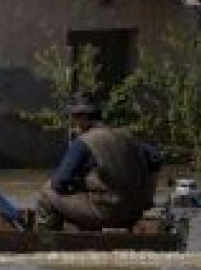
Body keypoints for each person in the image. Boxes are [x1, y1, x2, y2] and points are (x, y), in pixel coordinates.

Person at [36, 94, 162, 231]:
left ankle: (46, 240)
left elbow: (59, 182)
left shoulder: (84, 142)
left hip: (108, 213)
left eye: (72, 118)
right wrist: (147, 197)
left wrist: (75, 185)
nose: (72, 123)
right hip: (134, 214)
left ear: (83, 118)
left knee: (47, 192)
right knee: (90, 194)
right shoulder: (126, 136)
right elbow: (156, 158)